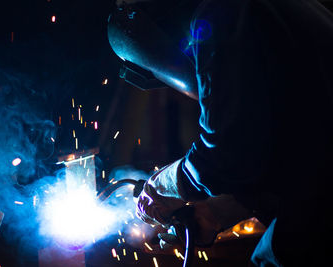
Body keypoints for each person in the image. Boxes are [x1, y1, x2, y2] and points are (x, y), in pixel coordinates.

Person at [109, 0, 333, 266]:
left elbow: (228, 151)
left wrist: (166, 185)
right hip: (318, 187)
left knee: (275, 255)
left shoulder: (223, 11)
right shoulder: (261, 15)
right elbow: (276, 140)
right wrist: (216, 211)